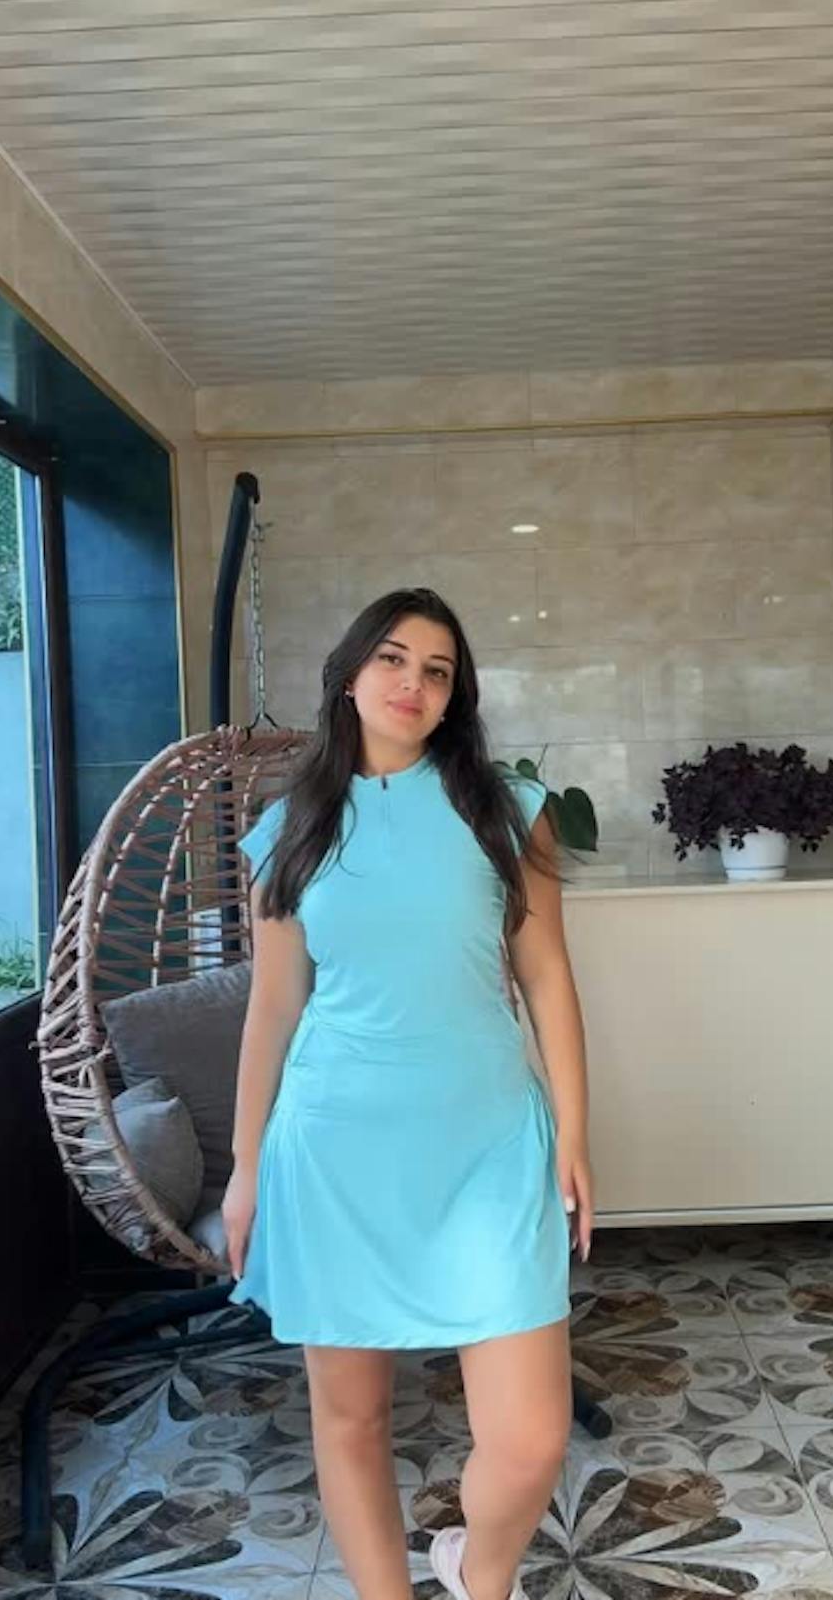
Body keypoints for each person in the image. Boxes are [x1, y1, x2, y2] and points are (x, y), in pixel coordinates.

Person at [224, 585, 593, 1600]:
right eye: (391, 658)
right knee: (351, 1417)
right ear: (349, 674)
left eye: (436, 670)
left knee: (531, 1436)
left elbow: (548, 977)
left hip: (488, 1146)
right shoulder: (290, 830)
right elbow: (272, 1010)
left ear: (454, 695)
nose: (411, 683)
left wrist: (572, 1132)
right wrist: (247, 1168)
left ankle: (480, 1570)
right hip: (333, 1152)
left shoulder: (506, 813)